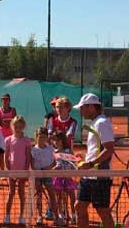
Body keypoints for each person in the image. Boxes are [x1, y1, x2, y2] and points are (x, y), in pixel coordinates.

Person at [73, 93, 115, 228]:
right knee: (79, 206)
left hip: (100, 176)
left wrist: (90, 163)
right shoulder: (94, 123)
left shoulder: (102, 123)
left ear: (91, 107)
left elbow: (109, 149)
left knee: (102, 211)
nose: (80, 111)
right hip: (88, 175)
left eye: (82, 108)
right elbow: (97, 149)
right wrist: (85, 157)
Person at [31, 127, 64, 226]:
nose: (41, 139)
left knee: (52, 196)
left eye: (44, 137)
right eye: (40, 137)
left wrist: (47, 169)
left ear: (47, 138)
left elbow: (54, 162)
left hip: (48, 175)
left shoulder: (51, 149)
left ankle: (56, 217)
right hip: (37, 175)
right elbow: (32, 164)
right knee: (38, 196)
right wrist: (38, 171)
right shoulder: (33, 150)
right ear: (36, 137)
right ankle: (40, 216)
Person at [3, 115, 31, 225]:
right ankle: (7, 216)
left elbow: (28, 156)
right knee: (11, 193)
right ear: (12, 126)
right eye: (15, 126)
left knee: (21, 193)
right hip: (11, 172)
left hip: (22, 172)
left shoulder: (26, 140)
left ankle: (21, 216)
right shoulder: (8, 140)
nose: (17, 129)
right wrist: (8, 169)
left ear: (23, 127)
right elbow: (6, 156)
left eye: (20, 127)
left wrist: (25, 169)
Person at [52, 130, 77, 224]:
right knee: (59, 198)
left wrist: (73, 171)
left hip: (68, 178)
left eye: (58, 140)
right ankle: (62, 215)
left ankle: (74, 215)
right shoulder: (54, 152)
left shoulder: (68, 151)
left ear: (62, 140)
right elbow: (55, 164)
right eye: (54, 140)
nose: (56, 142)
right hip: (58, 178)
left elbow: (74, 162)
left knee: (72, 197)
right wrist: (54, 169)